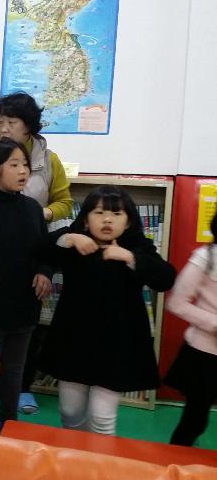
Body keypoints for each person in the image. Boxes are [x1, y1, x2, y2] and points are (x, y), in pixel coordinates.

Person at [38, 185, 175, 435]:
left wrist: (129, 258)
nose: (107, 220)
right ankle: (76, 455)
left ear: (129, 221)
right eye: (99, 213)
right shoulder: (75, 242)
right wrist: (69, 238)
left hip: (116, 344)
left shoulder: (137, 246)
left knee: (102, 418)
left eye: (117, 214)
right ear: (86, 219)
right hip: (74, 340)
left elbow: (166, 278)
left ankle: (98, 459)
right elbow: (37, 248)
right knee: (70, 411)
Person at [0, 92, 73, 415]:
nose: (4, 128)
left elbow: (64, 202)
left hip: (36, 244)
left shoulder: (49, 161)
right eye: (0, 122)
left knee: (27, 328)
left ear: (28, 126)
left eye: (11, 122)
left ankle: (21, 389)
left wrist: (40, 214)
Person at [0, 138, 52, 429]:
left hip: (24, 306)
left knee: (14, 375)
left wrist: (45, 271)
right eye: (14, 164)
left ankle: (10, 427)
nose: (23, 171)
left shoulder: (32, 208)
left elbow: (44, 249)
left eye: (25, 165)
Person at [164, 212, 217, 446]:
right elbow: (176, 302)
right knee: (195, 420)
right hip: (205, 355)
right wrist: (214, 324)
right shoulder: (206, 257)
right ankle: (174, 464)